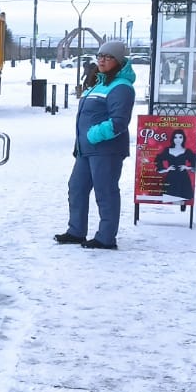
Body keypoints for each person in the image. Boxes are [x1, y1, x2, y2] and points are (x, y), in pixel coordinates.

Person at [54, 39, 136, 250]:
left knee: (105, 192)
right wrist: (80, 143)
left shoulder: (121, 87)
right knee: (77, 188)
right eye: (100, 56)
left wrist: (92, 136)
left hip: (106, 151)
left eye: (108, 57)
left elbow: (119, 122)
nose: (102, 60)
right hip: (86, 150)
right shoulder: (101, 83)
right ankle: (76, 231)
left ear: (118, 61)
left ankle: (106, 237)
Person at [154, 129, 196, 202]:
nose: (178, 139)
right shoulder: (167, 150)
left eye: (180, 137)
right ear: (173, 139)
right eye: (175, 137)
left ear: (183, 139)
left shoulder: (187, 151)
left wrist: (187, 167)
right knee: (170, 197)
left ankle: (182, 208)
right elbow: (158, 159)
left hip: (183, 178)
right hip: (171, 177)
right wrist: (166, 169)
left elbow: (194, 162)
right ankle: (171, 211)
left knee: (182, 198)